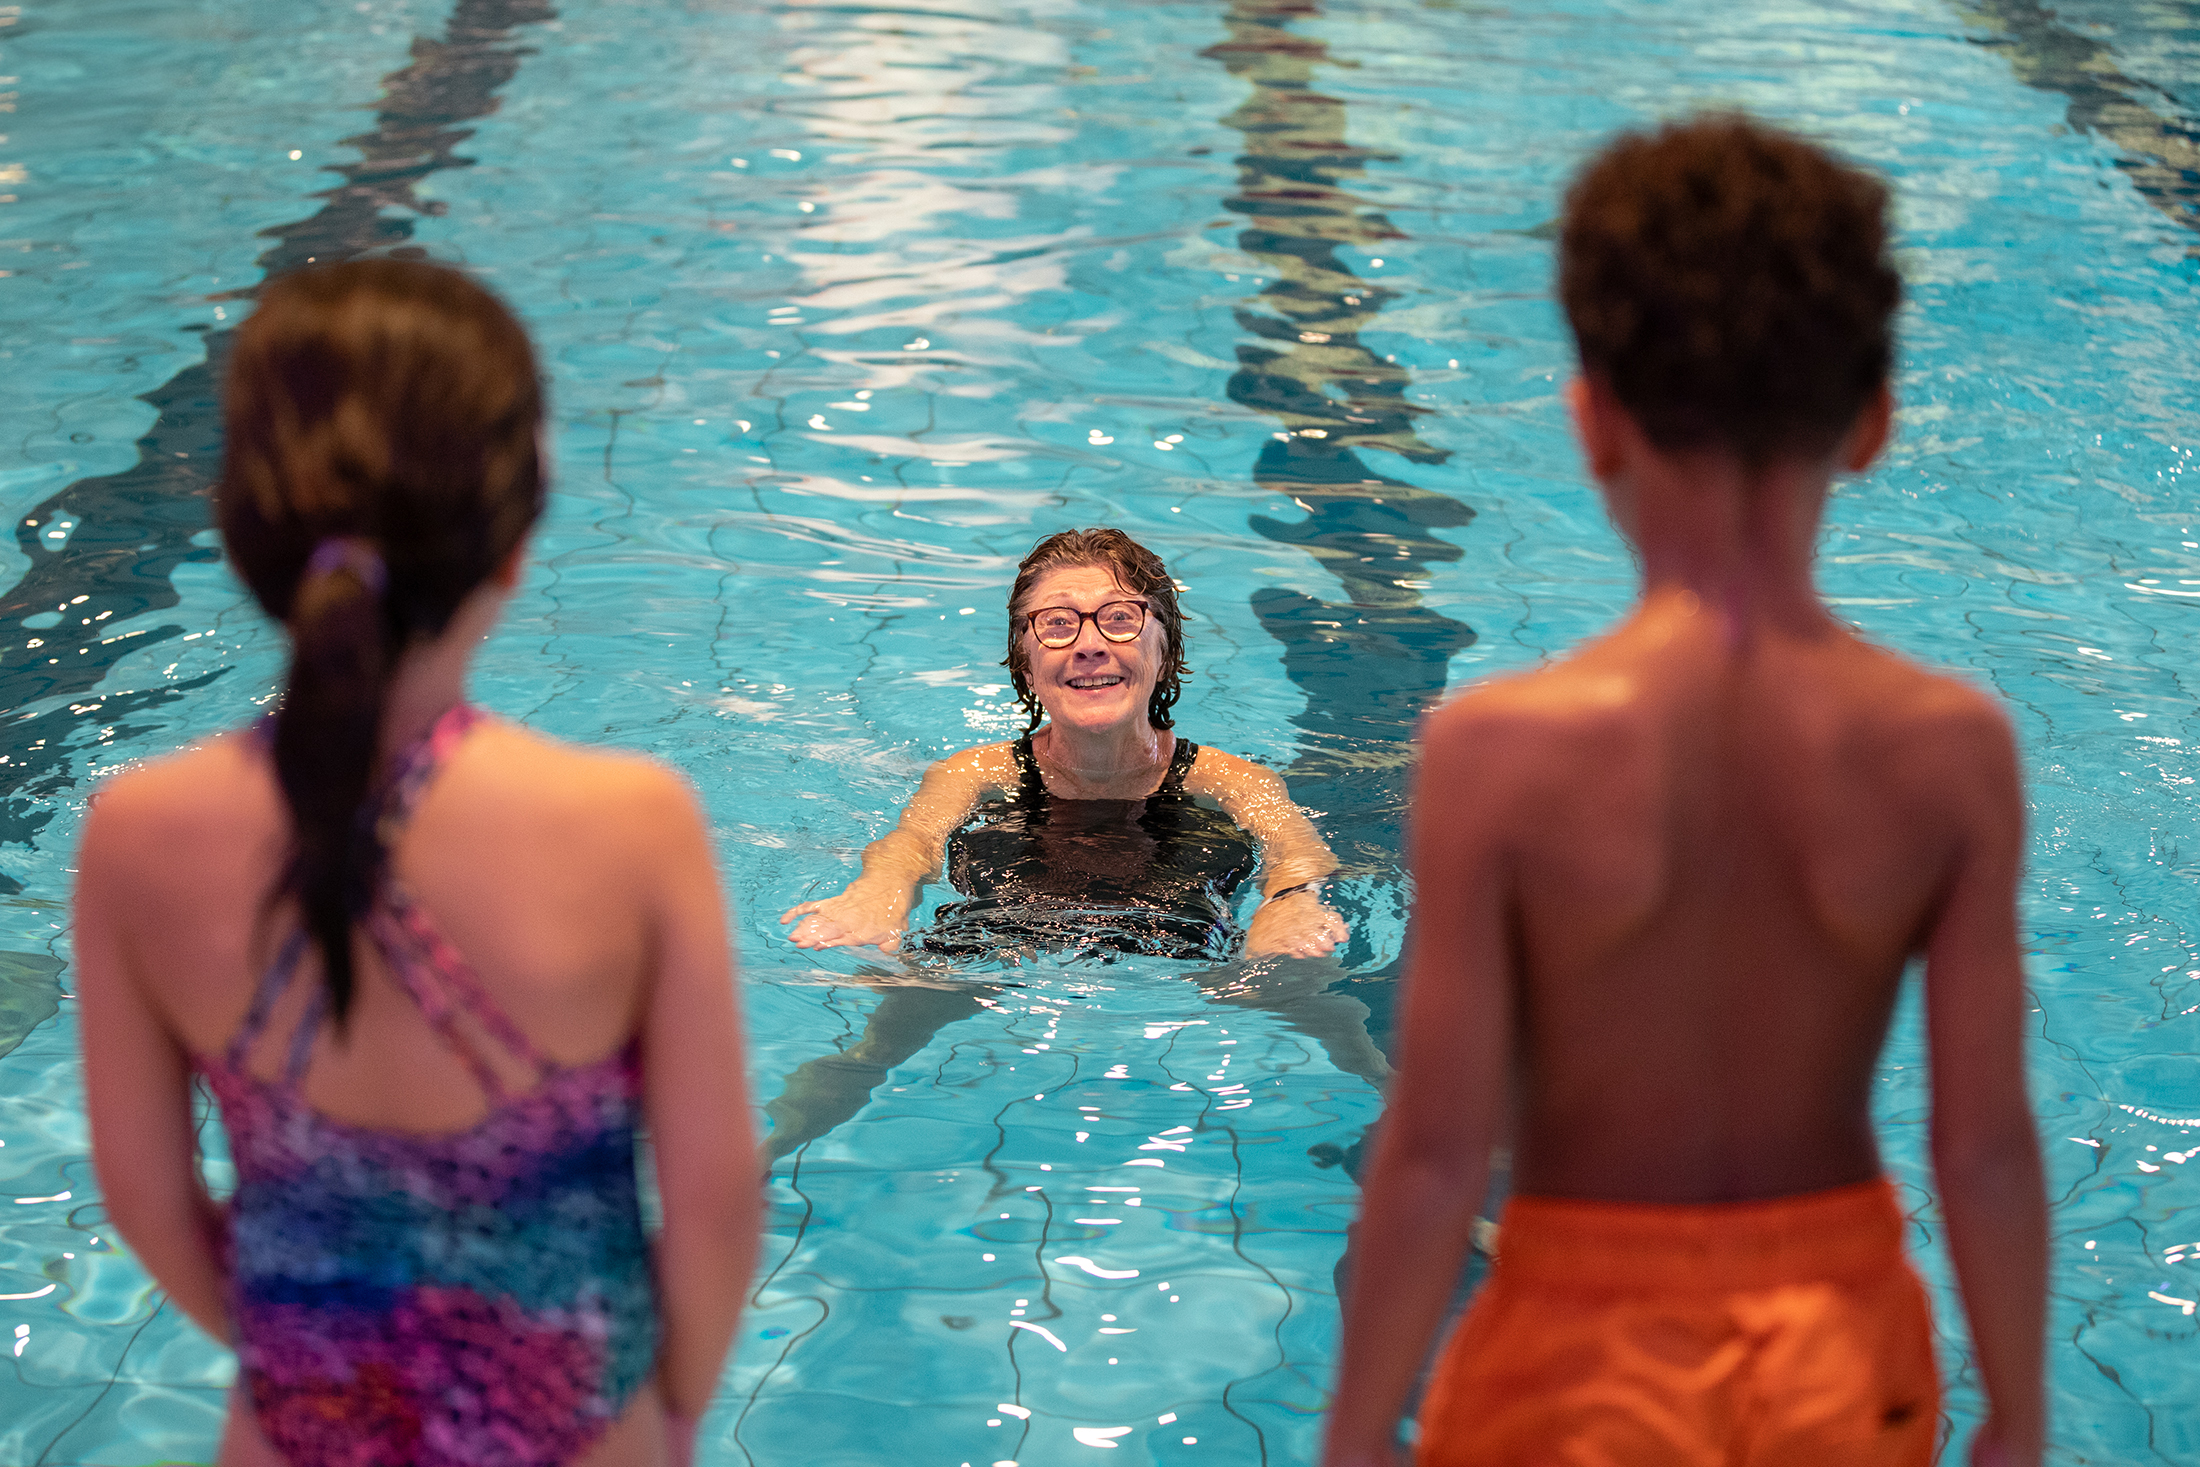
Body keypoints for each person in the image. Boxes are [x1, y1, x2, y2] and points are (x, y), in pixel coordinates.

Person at [1324, 116, 2046, 1467]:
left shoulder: (1499, 749)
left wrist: (1357, 1430)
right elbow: (1986, 1141)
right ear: (1876, 419)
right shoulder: (1951, 746)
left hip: (1571, 1360)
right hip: (1839, 1352)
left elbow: (1432, 1156)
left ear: (1591, 416)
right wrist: (2018, 1409)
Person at [75, 261, 756, 1467]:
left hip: (294, 1430)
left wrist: (319, 1351)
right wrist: (673, 1413)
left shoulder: (137, 834)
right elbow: (712, 1207)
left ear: (244, 530)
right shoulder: (626, 822)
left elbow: (145, 1196)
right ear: (514, 541)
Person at [780, 527, 1350, 963]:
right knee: (880, 1024)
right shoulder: (974, 773)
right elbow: (912, 843)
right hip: (991, 942)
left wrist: (1291, 903)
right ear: (1025, 664)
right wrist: (878, 890)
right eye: (1056, 624)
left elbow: (1297, 853)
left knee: (1305, 987)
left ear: (1166, 652)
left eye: (1119, 619)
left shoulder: (1232, 782)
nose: (1088, 646)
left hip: (1186, 952)